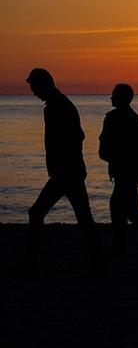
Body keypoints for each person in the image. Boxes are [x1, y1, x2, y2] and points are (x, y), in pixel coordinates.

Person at [24, 68, 103, 275]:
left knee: (37, 212)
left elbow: (77, 136)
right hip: (69, 170)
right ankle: (98, 260)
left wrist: (63, 162)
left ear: (44, 84)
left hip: (66, 171)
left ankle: (30, 263)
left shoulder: (58, 106)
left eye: (34, 87)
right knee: (84, 217)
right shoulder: (56, 105)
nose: (33, 92)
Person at [98, 83, 138, 256]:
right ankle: (128, 246)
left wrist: (113, 159)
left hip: (126, 171)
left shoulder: (116, 118)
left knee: (127, 209)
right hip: (131, 171)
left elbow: (108, 146)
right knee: (125, 208)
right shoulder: (134, 118)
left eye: (114, 94)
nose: (111, 97)